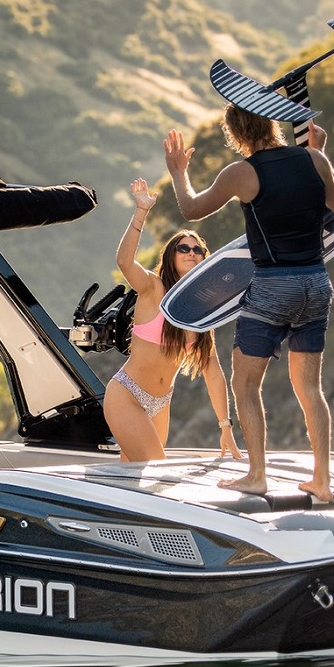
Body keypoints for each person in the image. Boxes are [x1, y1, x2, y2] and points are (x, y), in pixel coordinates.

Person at [163, 104, 334, 501]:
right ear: (271, 122)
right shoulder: (313, 159)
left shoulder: (242, 172)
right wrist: (320, 154)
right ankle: (322, 480)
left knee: (245, 384)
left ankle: (257, 475)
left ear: (236, 134)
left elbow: (192, 209)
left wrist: (178, 171)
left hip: (272, 286)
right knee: (310, 387)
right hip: (316, 283)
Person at [104, 178, 239, 463]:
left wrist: (225, 427)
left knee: (133, 477)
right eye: (184, 248)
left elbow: (213, 372)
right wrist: (141, 211)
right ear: (171, 255)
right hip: (127, 395)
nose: (192, 253)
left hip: (161, 403)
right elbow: (124, 262)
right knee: (156, 469)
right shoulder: (153, 288)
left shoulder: (201, 311)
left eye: (197, 250)